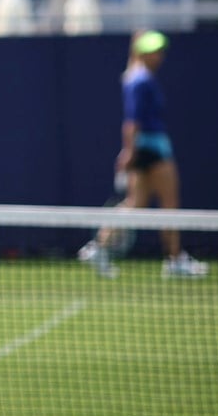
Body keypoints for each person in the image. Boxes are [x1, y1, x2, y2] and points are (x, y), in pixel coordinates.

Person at [78, 29, 208, 279]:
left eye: (160, 50)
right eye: (154, 51)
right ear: (143, 53)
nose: (160, 55)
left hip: (146, 147)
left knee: (134, 205)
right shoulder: (140, 81)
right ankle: (174, 259)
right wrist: (129, 151)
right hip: (153, 148)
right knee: (169, 204)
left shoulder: (135, 78)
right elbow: (132, 122)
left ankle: (98, 247)